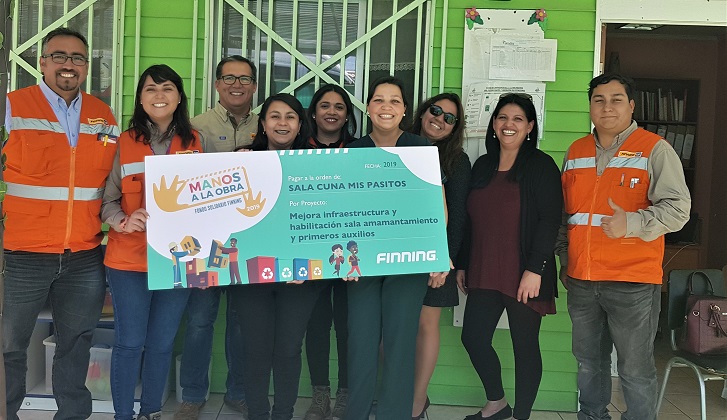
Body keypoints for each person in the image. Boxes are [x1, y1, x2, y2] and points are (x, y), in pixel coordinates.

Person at [556, 73, 690, 420]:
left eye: (616, 99)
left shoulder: (655, 149)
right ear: (590, 106)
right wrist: (565, 258)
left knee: (634, 368)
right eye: (598, 100)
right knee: (589, 363)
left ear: (631, 106)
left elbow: (678, 210)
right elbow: (566, 215)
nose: (607, 107)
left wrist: (631, 223)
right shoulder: (576, 151)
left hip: (632, 282)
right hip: (582, 280)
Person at [2, 27, 120, 420]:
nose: (69, 64)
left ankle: (72, 416)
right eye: (59, 56)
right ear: (42, 62)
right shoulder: (12, 106)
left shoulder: (104, 115)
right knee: (9, 346)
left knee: (76, 344)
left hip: (84, 254)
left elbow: (112, 181)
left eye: (77, 58)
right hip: (21, 254)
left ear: (86, 66)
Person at [101, 64, 202, 420]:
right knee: (129, 343)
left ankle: (152, 412)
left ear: (179, 97)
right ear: (141, 99)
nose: (159, 95)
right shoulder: (124, 142)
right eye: (151, 89)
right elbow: (106, 201)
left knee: (161, 344)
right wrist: (123, 220)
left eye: (167, 88)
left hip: (178, 261)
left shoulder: (196, 142)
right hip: (129, 261)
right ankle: (123, 416)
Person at [344, 76, 448, 420]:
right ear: (368, 107)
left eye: (394, 100)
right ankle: (357, 414)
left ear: (404, 110)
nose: (386, 106)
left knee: (401, 344)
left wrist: (438, 253)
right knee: (361, 343)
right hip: (361, 264)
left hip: (407, 260)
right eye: (378, 99)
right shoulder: (352, 151)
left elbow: (437, 205)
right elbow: (339, 209)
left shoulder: (421, 148)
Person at [457, 93, 562, 420]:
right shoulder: (483, 165)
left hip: (524, 273)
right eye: (502, 117)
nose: (508, 124)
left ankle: (521, 415)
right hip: (484, 270)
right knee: (473, 338)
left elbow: (549, 220)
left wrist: (536, 269)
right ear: (493, 124)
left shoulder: (541, 165)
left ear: (530, 126)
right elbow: (470, 219)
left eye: (518, 119)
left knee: (524, 347)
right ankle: (497, 403)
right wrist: (463, 263)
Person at [175, 55, 258, 420]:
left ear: (254, 85)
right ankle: (192, 396)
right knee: (199, 322)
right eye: (229, 78)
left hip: (249, 241)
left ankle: (239, 392)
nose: (237, 85)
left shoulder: (266, 125)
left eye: (244, 79)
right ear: (217, 84)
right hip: (205, 243)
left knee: (241, 324)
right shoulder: (195, 127)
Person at [234, 93, 321, 420]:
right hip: (251, 275)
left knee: (288, 349)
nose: (282, 123)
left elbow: (326, 220)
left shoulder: (318, 163)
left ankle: (283, 413)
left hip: (299, 276)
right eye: (275, 116)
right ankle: (257, 413)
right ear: (263, 123)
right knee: (255, 350)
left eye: (290, 117)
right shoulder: (241, 161)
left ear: (300, 125)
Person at [408, 93, 471, 419]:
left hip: (438, 260)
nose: (440, 119)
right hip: (397, 256)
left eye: (449, 118)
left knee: (426, 325)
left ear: (454, 128)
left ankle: (417, 401)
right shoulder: (399, 147)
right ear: (423, 113)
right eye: (435, 111)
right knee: (390, 328)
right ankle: (398, 392)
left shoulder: (457, 161)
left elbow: (457, 217)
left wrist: (443, 260)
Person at [302, 84, 357, 420]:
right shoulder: (297, 149)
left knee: (349, 326)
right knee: (317, 325)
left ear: (347, 115)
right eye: (325, 106)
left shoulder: (360, 149)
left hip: (350, 255)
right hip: (310, 251)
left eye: (339, 107)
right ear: (314, 112)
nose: (332, 112)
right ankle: (320, 394)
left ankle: (346, 393)